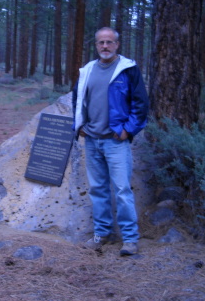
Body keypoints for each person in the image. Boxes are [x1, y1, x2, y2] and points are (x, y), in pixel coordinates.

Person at [72, 27, 149, 256]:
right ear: (96, 45)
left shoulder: (127, 70)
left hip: (115, 141)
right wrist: (81, 125)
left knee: (123, 190)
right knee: (98, 189)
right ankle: (101, 234)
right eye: (100, 43)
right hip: (93, 140)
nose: (105, 46)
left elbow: (141, 103)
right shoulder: (87, 70)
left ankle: (130, 239)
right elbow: (78, 99)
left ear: (117, 44)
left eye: (109, 42)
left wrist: (128, 130)